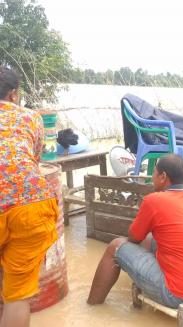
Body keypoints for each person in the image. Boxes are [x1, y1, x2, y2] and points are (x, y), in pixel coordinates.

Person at [87, 154, 183, 308]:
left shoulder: (153, 200)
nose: (151, 178)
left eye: (154, 173)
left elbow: (134, 237)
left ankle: (92, 307)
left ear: (163, 177)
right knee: (151, 237)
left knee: (115, 247)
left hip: (178, 295)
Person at [0, 67, 58, 327]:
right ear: (13, 94)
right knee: (18, 296)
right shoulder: (31, 117)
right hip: (32, 203)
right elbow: (33, 160)